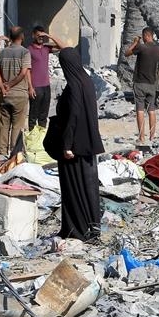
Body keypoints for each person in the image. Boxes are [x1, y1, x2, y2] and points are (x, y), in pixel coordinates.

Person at [55, 47, 104, 241]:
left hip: (74, 147)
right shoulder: (86, 81)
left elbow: (73, 115)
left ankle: (78, 230)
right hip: (87, 144)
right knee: (87, 188)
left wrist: (67, 144)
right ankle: (91, 227)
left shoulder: (74, 85)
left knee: (74, 189)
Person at [0, 26, 31, 156]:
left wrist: (2, 87)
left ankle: (3, 152)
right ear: (22, 37)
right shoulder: (25, 52)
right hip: (19, 94)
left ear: (10, 37)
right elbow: (24, 72)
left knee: (4, 124)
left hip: (5, 95)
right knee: (17, 125)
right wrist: (10, 84)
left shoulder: (2, 52)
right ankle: (14, 154)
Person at [124, 27, 159, 144]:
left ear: (146, 35)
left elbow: (127, 53)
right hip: (152, 83)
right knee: (151, 110)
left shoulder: (141, 47)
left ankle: (142, 137)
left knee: (140, 110)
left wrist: (135, 42)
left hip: (140, 83)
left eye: (143, 36)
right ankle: (152, 137)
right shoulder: (158, 50)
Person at [27, 26, 64, 130]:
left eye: (42, 36)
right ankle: (32, 136)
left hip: (46, 86)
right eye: (38, 35)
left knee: (43, 115)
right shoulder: (29, 50)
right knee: (33, 115)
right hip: (35, 87)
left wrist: (49, 36)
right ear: (33, 35)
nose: (41, 38)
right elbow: (27, 70)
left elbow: (62, 46)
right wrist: (30, 87)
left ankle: (42, 136)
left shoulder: (46, 48)